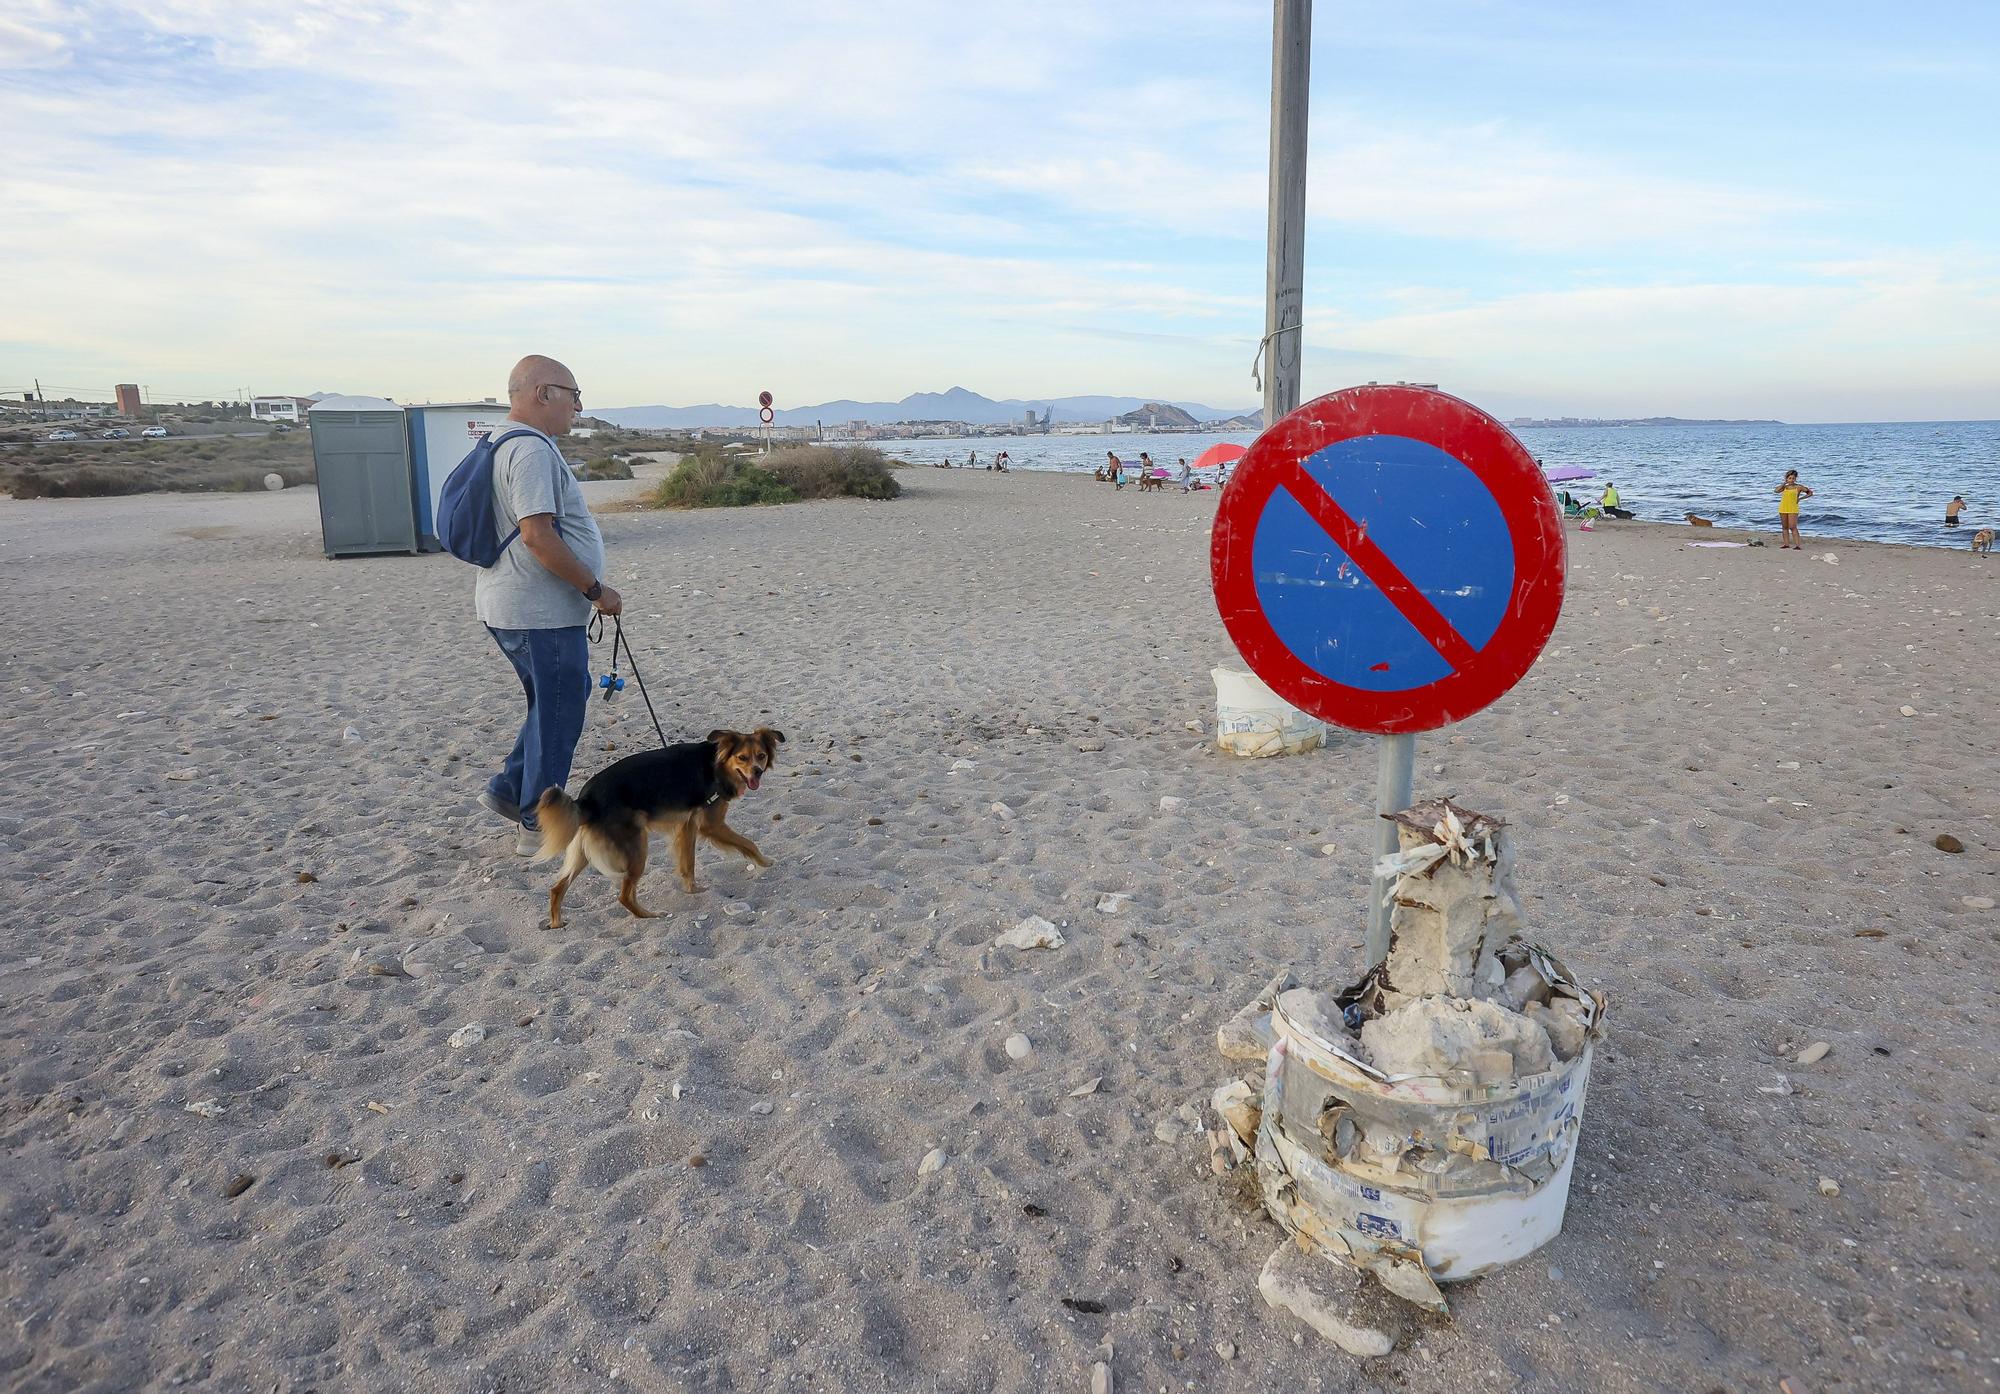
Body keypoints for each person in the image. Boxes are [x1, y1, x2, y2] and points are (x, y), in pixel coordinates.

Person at [476, 354, 618, 856]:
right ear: (543, 393)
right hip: (538, 610)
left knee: (558, 697)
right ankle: (538, 822)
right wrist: (595, 590)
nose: (578, 408)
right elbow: (538, 535)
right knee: (560, 708)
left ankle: (510, 790)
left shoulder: (501, 441)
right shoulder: (531, 451)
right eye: (574, 396)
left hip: (516, 605)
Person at [1774, 469, 1813, 549]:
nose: (1791, 480)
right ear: (1787, 478)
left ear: (1795, 479)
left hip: (1793, 508)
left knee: (1792, 527)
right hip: (1783, 507)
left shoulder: (1798, 487)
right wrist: (1784, 483)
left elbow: (1810, 493)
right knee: (1784, 527)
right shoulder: (1784, 487)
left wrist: (1800, 499)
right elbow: (1776, 491)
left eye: (1793, 478)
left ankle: (1798, 545)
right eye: (1789, 478)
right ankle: (1786, 544)